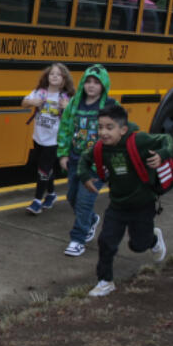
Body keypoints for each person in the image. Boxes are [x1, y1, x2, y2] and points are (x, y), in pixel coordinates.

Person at [78, 103, 171, 298]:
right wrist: (85, 176)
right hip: (117, 205)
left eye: (109, 127)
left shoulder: (139, 140)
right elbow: (84, 160)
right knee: (106, 241)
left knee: (138, 245)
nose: (103, 132)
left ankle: (153, 240)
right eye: (100, 127)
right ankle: (105, 281)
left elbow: (166, 139)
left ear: (123, 129)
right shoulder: (100, 148)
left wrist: (162, 155)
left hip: (143, 205)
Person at [57, 64, 118, 256]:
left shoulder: (110, 106)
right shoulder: (75, 104)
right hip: (76, 160)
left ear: (103, 85)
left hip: (97, 165)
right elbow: (65, 129)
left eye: (96, 83)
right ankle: (91, 220)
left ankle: (78, 239)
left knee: (84, 201)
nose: (91, 86)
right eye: (88, 82)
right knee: (72, 197)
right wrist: (63, 154)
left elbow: (119, 135)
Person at [22, 63, 74, 215]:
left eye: (59, 74)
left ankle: (37, 201)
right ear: (47, 76)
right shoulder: (39, 92)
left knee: (43, 170)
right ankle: (51, 194)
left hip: (54, 140)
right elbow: (23, 102)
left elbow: (74, 118)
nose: (55, 76)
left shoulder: (66, 98)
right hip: (38, 137)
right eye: (52, 74)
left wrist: (67, 108)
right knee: (44, 167)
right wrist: (32, 102)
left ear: (64, 79)